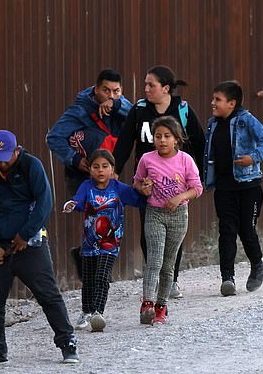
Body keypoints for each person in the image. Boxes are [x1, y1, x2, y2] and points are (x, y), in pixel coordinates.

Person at [0, 129, 79, 367]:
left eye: (6, 157)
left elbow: (45, 203)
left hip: (30, 243)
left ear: (17, 151)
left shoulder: (31, 165)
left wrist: (24, 235)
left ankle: (67, 342)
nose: (1, 163)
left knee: (48, 294)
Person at [113, 65, 205, 299]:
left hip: (176, 185)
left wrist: (196, 179)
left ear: (165, 88)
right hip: (148, 186)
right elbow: (124, 143)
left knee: (174, 234)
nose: (146, 89)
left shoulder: (182, 110)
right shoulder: (139, 111)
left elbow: (199, 143)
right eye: (145, 84)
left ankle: (171, 279)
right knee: (149, 234)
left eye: (150, 85)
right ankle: (154, 277)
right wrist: (115, 170)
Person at [47, 68, 132, 280]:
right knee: (96, 213)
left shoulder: (121, 106)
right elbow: (54, 137)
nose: (110, 96)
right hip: (81, 175)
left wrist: (116, 104)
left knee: (107, 218)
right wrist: (75, 160)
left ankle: (91, 263)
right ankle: (95, 267)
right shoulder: (80, 111)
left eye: (116, 91)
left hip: (109, 173)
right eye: (106, 91)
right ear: (96, 90)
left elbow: (137, 112)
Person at [63, 149, 144, 332]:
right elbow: (78, 201)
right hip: (89, 243)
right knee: (89, 279)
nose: (100, 170)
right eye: (96, 166)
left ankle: (98, 313)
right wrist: (71, 205)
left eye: (105, 166)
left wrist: (147, 191)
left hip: (110, 243)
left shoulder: (118, 188)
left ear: (112, 169)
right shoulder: (86, 186)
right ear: (90, 169)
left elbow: (138, 199)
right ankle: (86, 311)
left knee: (101, 277)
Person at [204, 80, 263, 296]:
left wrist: (253, 158)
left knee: (246, 230)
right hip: (224, 187)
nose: (213, 103)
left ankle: (257, 263)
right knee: (226, 231)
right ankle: (228, 278)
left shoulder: (247, 120)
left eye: (218, 99)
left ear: (232, 103)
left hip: (249, 186)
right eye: (213, 98)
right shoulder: (212, 124)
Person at [133, 116, 203, 324]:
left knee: (168, 264)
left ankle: (161, 306)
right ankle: (147, 303)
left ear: (176, 139)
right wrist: (143, 188)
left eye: (167, 136)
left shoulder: (185, 160)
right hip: (154, 213)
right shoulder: (147, 159)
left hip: (178, 216)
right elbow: (137, 182)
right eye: (157, 136)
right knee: (154, 259)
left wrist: (180, 197)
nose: (162, 140)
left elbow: (197, 189)